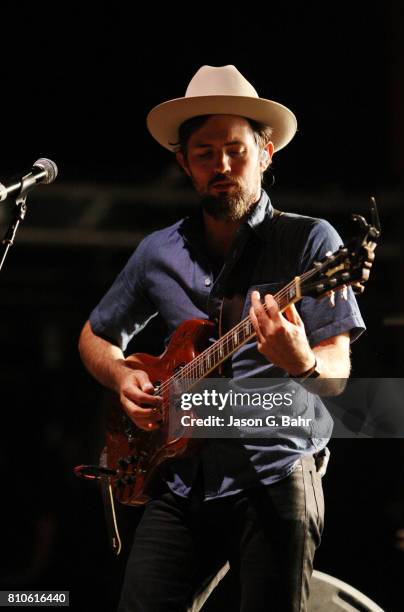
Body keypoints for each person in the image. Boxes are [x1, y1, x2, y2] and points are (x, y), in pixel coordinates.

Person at [79, 65, 365, 612]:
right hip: (180, 479)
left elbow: (336, 370)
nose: (223, 166)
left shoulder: (311, 242)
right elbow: (96, 334)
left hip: (276, 473)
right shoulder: (158, 252)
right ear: (184, 163)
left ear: (266, 154)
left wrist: (302, 361)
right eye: (205, 153)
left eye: (235, 150)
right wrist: (123, 374)